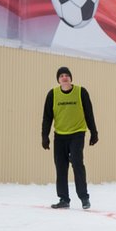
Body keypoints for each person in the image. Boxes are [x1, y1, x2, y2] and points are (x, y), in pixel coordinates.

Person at [41, 66, 98, 209]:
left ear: (71, 78)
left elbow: (89, 113)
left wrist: (94, 132)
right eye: (61, 76)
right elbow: (47, 117)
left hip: (77, 134)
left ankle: (84, 198)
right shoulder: (52, 95)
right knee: (60, 167)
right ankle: (64, 199)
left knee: (77, 163)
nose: (64, 77)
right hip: (60, 135)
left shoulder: (81, 92)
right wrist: (44, 136)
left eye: (67, 75)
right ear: (58, 80)